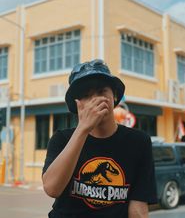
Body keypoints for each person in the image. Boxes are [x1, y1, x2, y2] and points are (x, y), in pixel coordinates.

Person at [42, 59, 157, 218]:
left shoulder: (139, 142)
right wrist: (83, 129)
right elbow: (52, 188)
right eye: (87, 95)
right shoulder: (62, 138)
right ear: (78, 104)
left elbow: (138, 207)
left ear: (114, 96)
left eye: (102, 91)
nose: (96, 100)